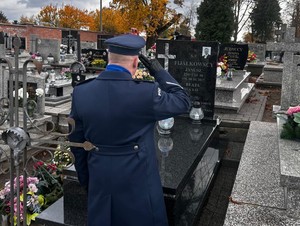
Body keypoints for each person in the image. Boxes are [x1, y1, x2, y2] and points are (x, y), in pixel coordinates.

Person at [68, 34, 191, 226]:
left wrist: (88, 182)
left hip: (100, 179)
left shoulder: (81, 92)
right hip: (139, 183)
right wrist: (157, 70)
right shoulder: (145, 92)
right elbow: (183, 101)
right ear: (135, 62)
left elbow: (76, 144)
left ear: (109, 58)